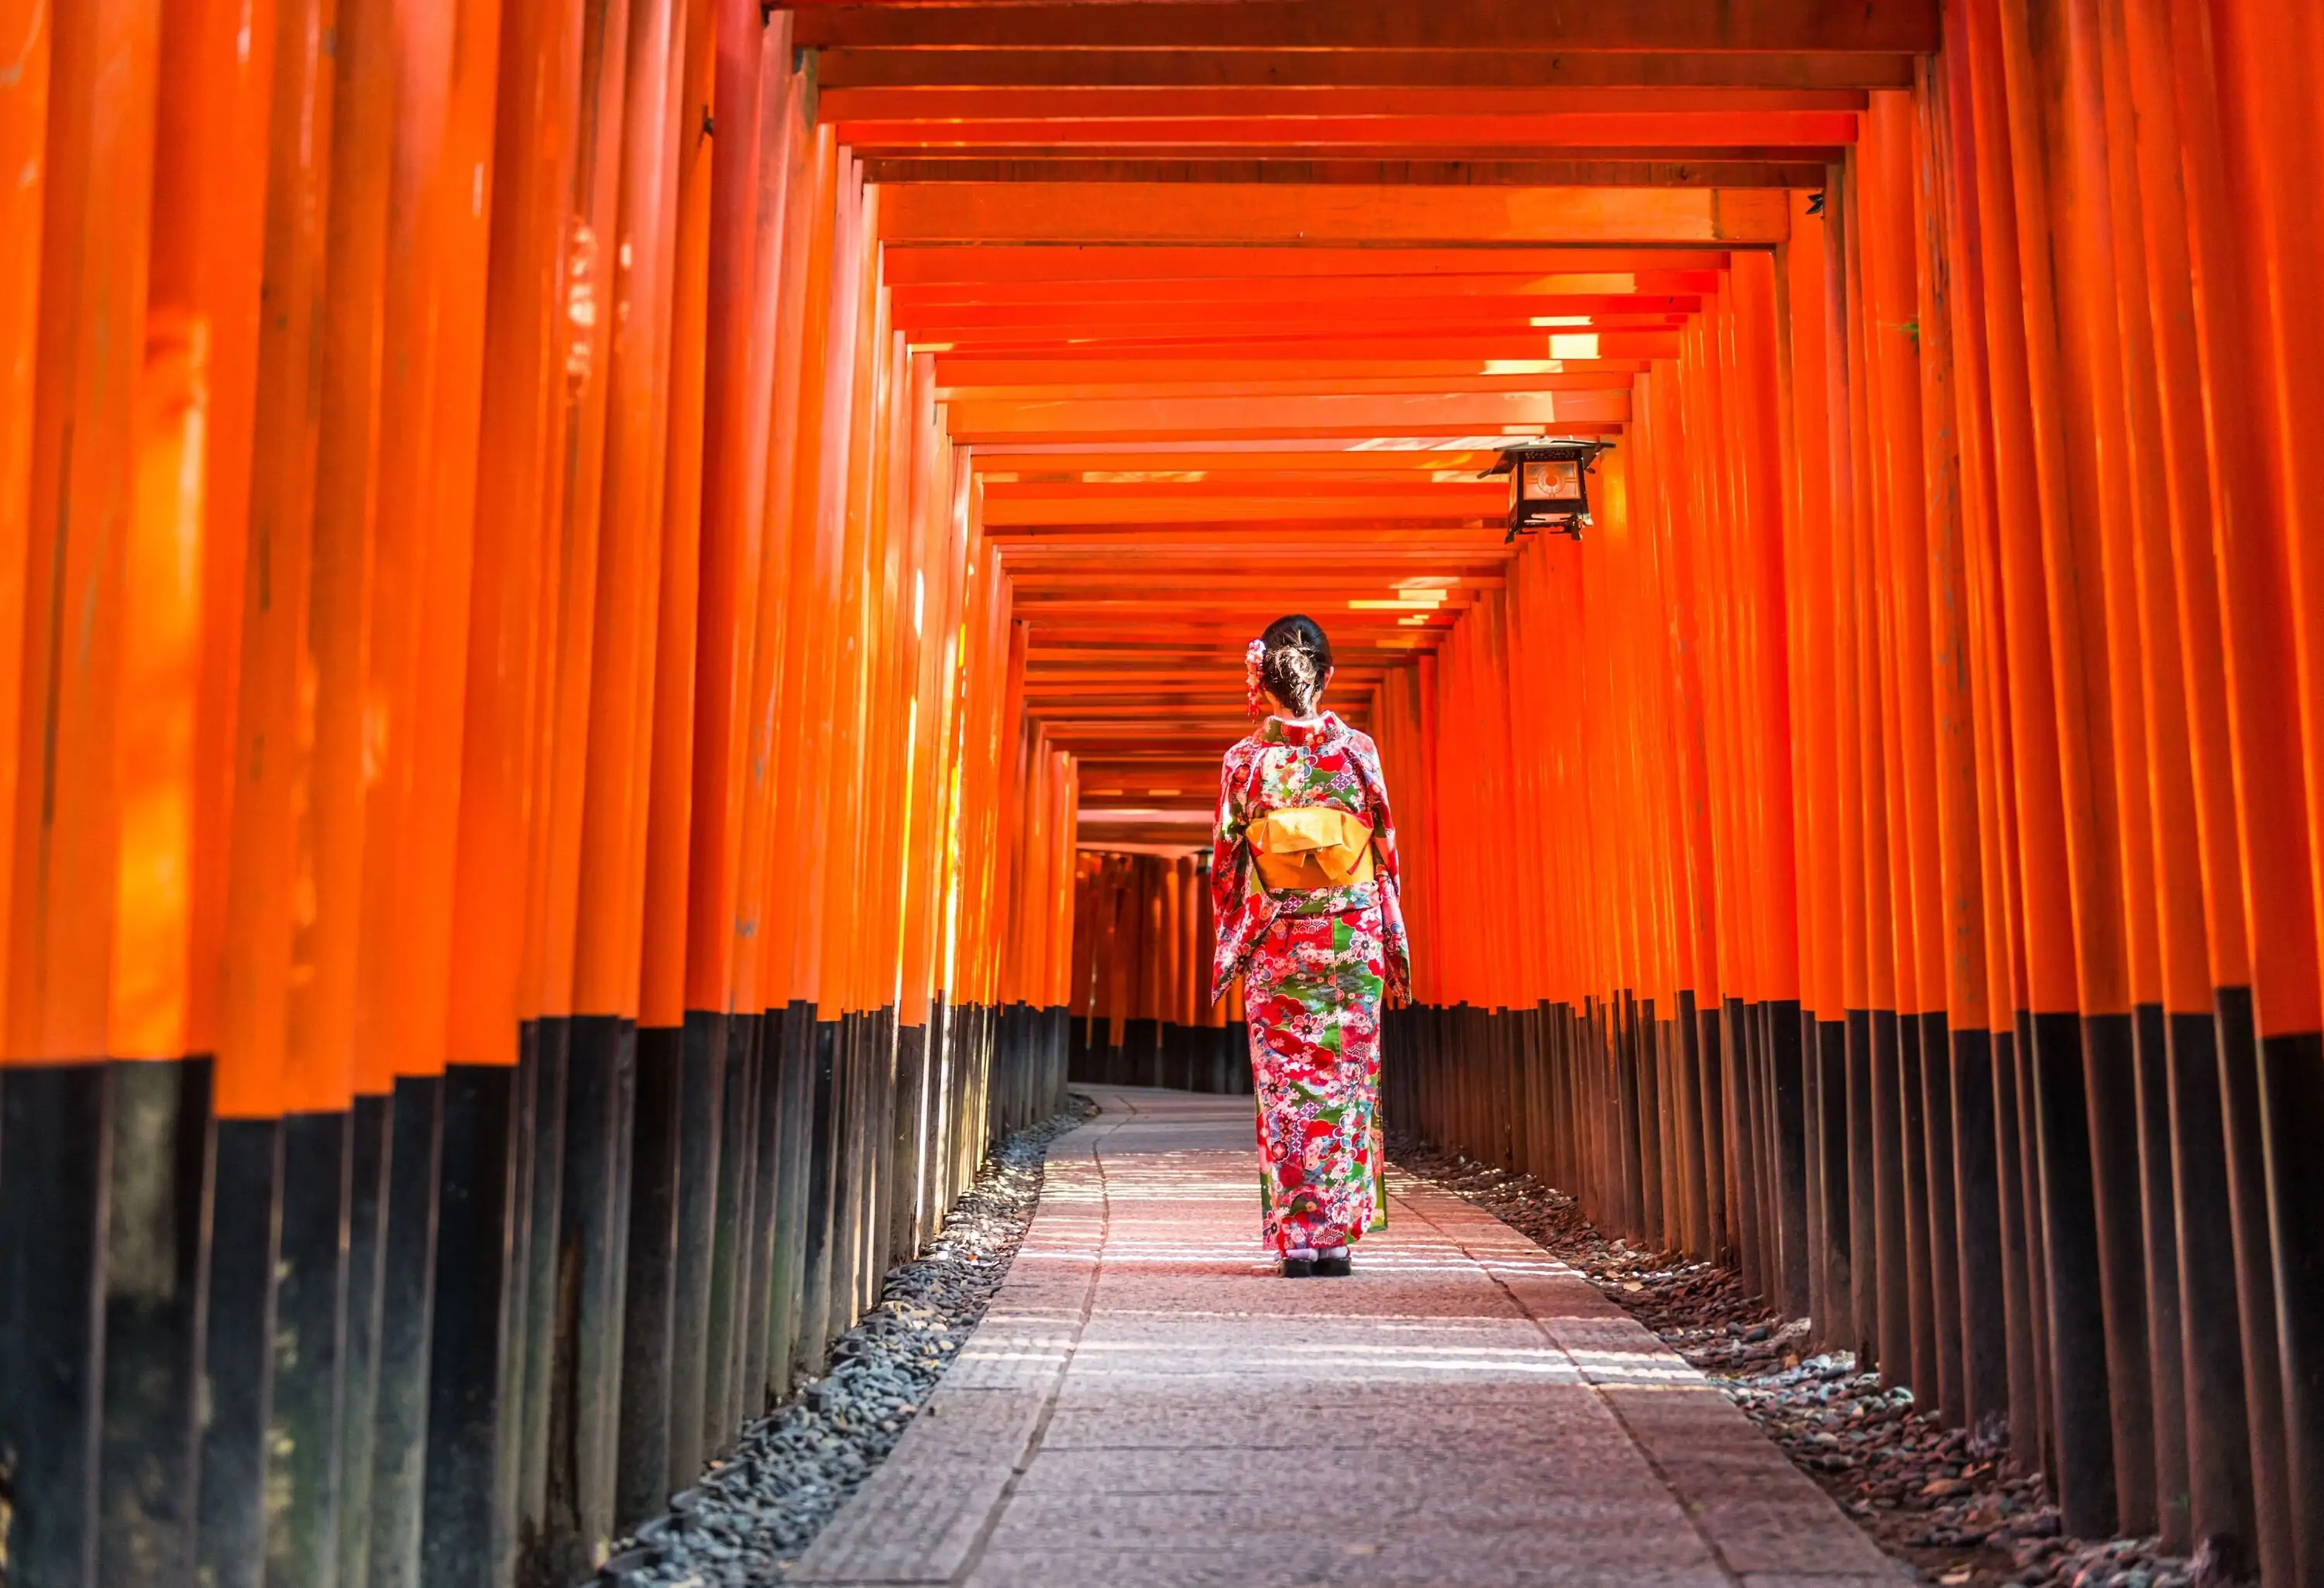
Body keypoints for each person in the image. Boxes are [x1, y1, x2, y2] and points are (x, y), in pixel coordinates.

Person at [1209, 615, 1412, 1278]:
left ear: (1260, 682)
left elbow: (1225, 865)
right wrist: (1391, 933)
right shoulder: (1358, 751)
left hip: (1280, 940)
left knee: (1288, 1088)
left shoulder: (1245, 761)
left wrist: (1235, 936)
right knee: (1349, 1083)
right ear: (1326, 676)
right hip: (1351, 938)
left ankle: (1299, 1238)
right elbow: (1382, 847)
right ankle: (1338, 1239)